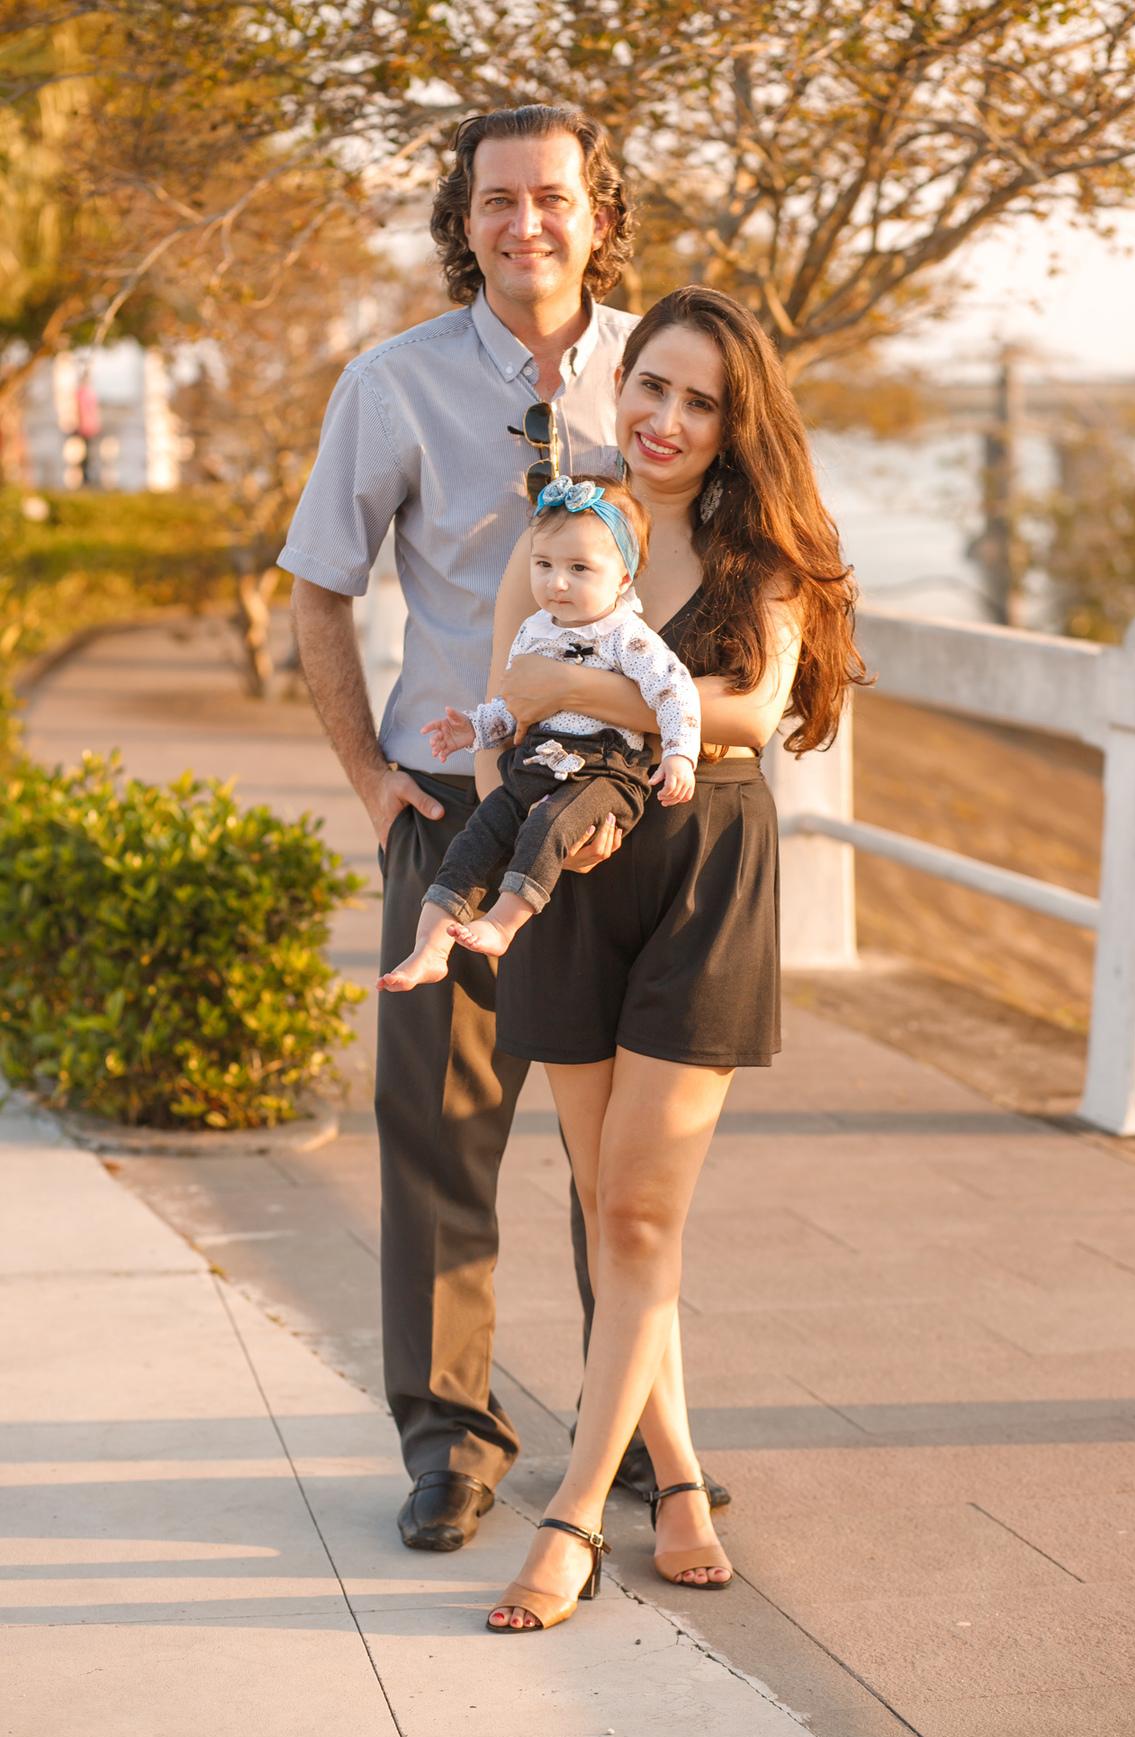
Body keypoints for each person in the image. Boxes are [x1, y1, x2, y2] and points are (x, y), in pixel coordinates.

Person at [283, 105, 724, 1553]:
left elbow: (754, 531)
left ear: (603, 210)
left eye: (552, 197)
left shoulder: (662, 373)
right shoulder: (391, 383)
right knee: (442, 1136)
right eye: (495, 200)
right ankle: (450, 1440)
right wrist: (369, 779)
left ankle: (643, 1446)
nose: (522, 222)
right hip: (461, 818)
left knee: (624, 1166)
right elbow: (320, 586)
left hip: (621, 823)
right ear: (460, 217)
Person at [475, 286, 866, 1631]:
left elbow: (751, 710)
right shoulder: (574, 527)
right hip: (572, 878)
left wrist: (585, 692)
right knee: (608, 1206)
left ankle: (578, 1514)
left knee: (640, 1214)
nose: (668, 419)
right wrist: (510, 794)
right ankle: (683, 1477)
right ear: (619, 381)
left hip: (706, 880)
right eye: (653, 386)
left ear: (733, 420)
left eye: (701, 401)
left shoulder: (759, 553)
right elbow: (495, 704)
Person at [377, 475, 699, 989]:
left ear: (622, 578)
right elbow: (514, 707)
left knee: (547, 824)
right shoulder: (535, 630)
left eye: (578, 569)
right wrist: (475, 729)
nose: (557, 583)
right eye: (544, 565)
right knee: (476, 834)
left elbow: (674, 691)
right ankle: (428, 946)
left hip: (604, 773)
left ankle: (503, 925)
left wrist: (680, 754)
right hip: (537, 759)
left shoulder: (627, 637)